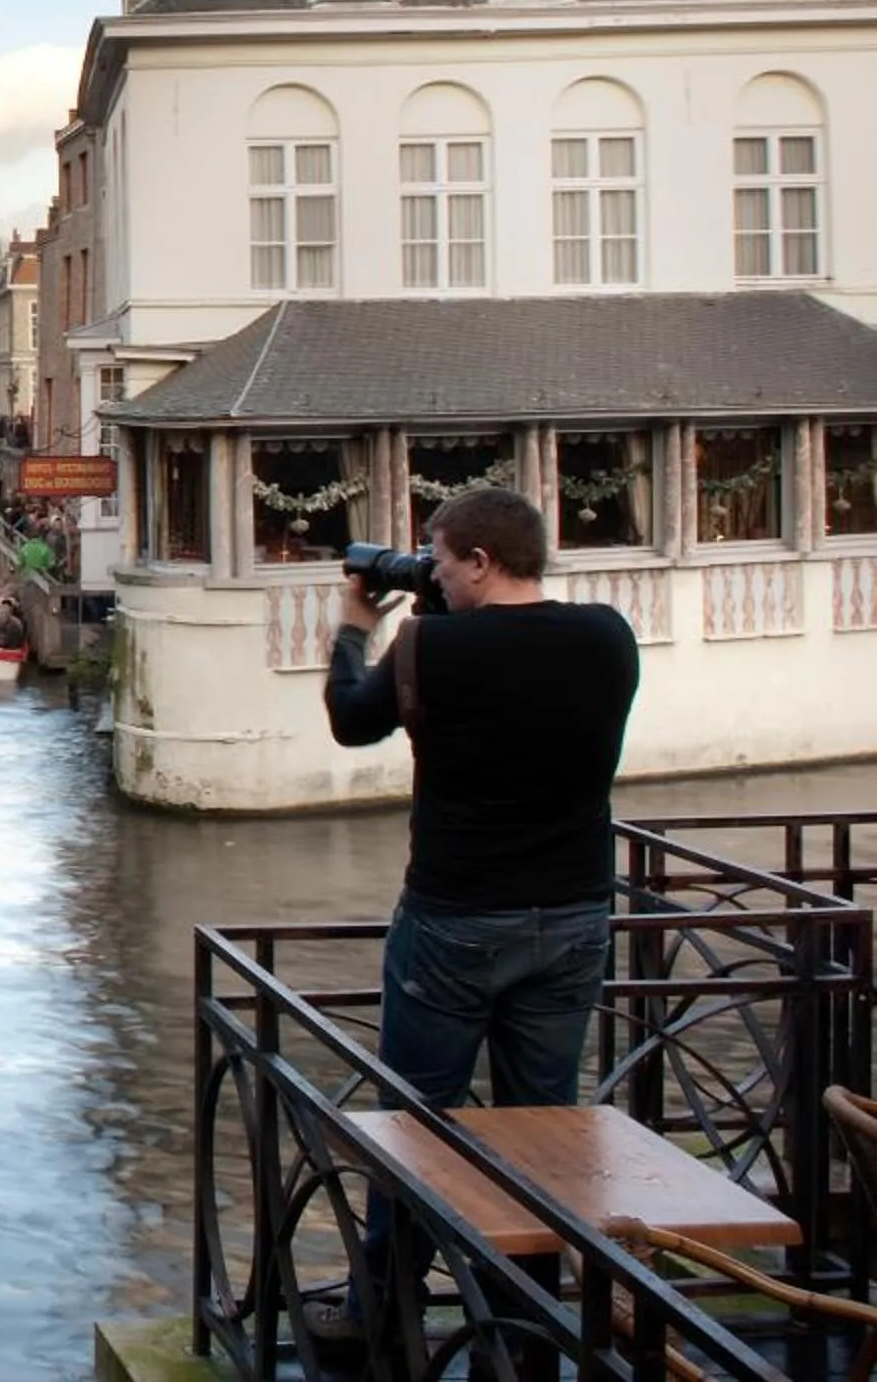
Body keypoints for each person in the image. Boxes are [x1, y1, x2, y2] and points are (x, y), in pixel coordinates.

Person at [308, 486, 639, 1356]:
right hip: (574, 914)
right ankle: (525, 1314)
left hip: (456, 916)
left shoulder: (430, 647)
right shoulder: (609, 636)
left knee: (416, 1119)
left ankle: (383, 1304)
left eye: (441, 558)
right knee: (541, 1123)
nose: (434, 572)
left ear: (481, 562)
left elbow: (351, 718)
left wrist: (354, 623)